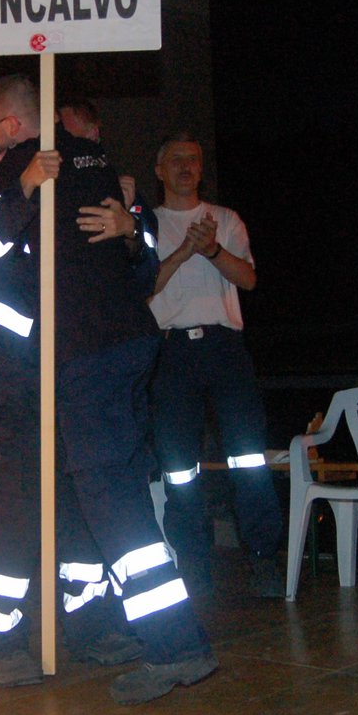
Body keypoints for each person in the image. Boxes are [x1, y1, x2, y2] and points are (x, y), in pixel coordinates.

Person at [0, 75, 216, 704]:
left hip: (90, 357)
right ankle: (111, 636)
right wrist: (32, 193)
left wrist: (123, 224)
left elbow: (139, 254)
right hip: (64, 364)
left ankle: (169, 643)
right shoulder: (57, 166)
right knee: (97, 493)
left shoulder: (59, 165)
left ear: (10, 126)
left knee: (105, 497)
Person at [147, 133, 284, 597]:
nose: (187, 166)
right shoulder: (147, 223)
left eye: (194, 159)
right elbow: (142, 289)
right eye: (176, 160)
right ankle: (194, 562)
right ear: (159, 170)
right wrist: (184, 251)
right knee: (179, 467)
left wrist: (210, 250)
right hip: (172, 352)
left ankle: (264, 557)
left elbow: (247, 278)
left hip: (225, 349)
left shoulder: (225, 220)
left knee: (248, 457)